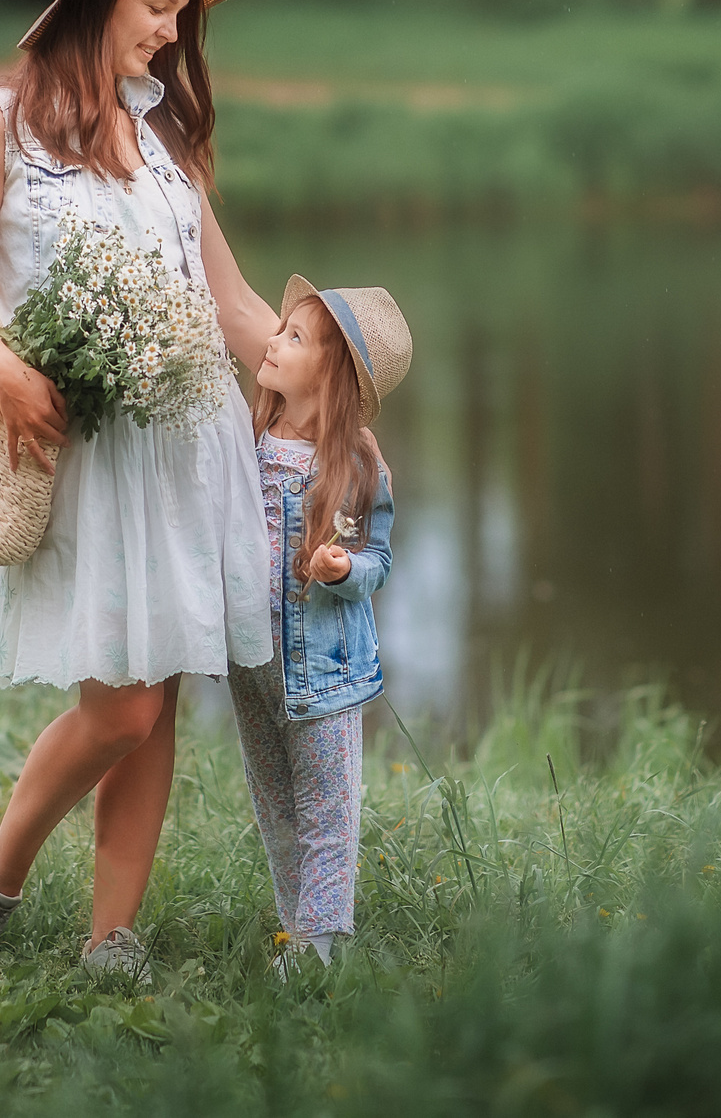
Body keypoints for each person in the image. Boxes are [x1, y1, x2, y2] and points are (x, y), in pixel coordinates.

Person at [0, 0, 281, 982]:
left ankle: (110, 939)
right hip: (91, 454)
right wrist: (3, 366)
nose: (173, 31)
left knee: (158, 686)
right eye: (157, 7)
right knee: (119, 706)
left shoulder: (161, 142)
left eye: (180, 12)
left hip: (192, 443)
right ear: (94, 4)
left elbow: (229, 304)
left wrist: (325, 385)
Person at [230, 276, 411, 972]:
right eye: (281, 329)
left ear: (331, 377)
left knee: (328, 806)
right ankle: (295, 930)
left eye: (294, 337)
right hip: (251, 663)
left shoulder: (355, 465)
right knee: (275, 801)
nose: (271, 342)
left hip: (326, 670)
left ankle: (322, 945)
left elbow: (379, 559)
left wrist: (343, 570)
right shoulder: (249, 437)